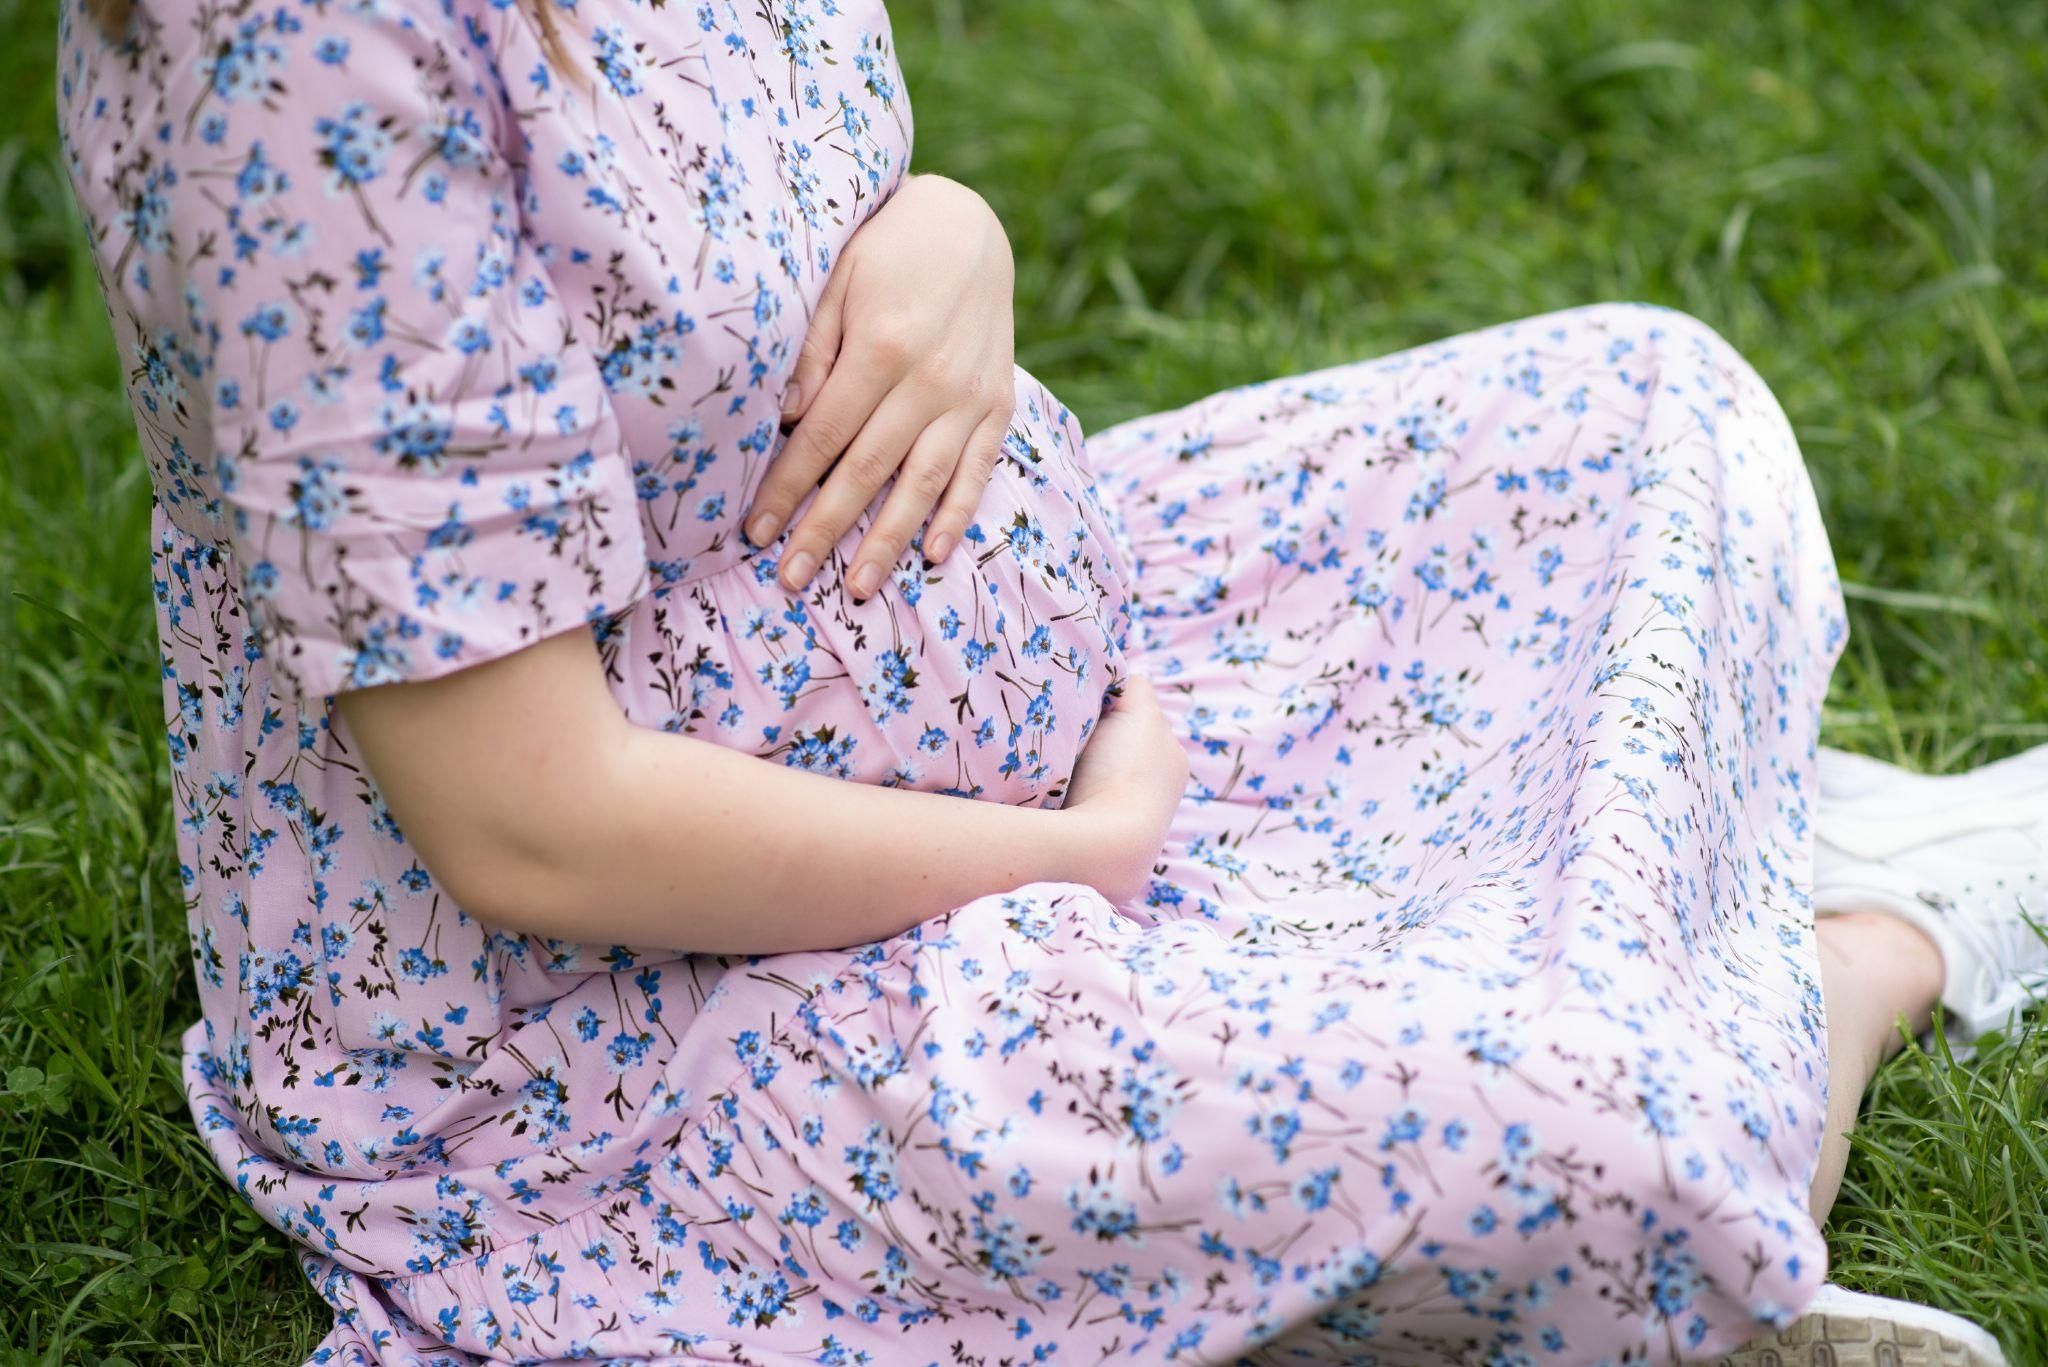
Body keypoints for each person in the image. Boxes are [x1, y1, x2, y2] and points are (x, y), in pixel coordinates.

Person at [57, 0, 2044, 1362]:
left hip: (1057, 715)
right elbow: (533, 829)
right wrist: (1080, 844)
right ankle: (1854, 958)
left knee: (1646, 406)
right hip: (631, 1021)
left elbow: (810, 220)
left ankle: (1635, 964)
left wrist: (952, 231)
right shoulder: (306, 59)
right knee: (1593, 1145)